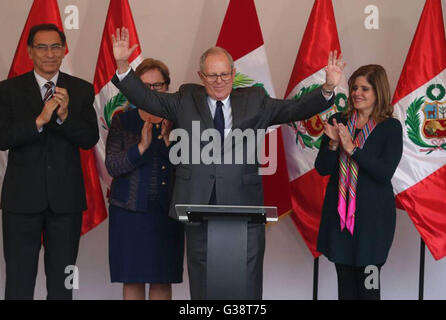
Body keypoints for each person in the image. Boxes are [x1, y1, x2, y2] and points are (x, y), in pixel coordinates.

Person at [111, 27, 345, 300]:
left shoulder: (255, 100)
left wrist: (327, 88)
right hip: (197, 203)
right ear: (201, 76)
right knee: (202, 280)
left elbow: (294, 109)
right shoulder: (186, 98)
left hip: (243, 203)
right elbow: (147, 98)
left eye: (224, 74)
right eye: (212, 75)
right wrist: (123, 66)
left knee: (247, 283)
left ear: (234, 74)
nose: (219, 80)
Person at [0, 24, 99, 299]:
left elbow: (89, 138)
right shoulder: (8, 90)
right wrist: (40, 121)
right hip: (21, 202)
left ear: (64, 49)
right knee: (19, 283)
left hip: (65, 203)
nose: (49, 53)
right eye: (42, 47)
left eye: (56, 46)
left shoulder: (80, 89)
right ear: (30, 51)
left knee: (62, 285)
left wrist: (65, 117)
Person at [315, 64, 403, 300]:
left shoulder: (390, 128)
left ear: (378, 92)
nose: (357, 93)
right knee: (346, 291)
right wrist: (333, 144)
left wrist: (352, 149)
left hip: (373, 226)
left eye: (365, 88)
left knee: (369, 290)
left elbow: (384, 173)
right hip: (340, 222)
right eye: (354, 87)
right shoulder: (338, 121)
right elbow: (322, 168)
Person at [105, 58, 184, 300]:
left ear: (167, 87)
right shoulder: (122, 120)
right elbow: (113, 166)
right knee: (133, 278)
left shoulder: (180, 122)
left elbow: (190, 170)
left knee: (162, 279)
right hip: (129, 214)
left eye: (158, 86)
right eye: (145, 86)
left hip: (167, 213)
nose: (152, 91)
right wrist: (140, 147)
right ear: (135, 88)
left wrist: (171, 144)